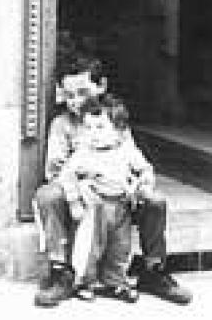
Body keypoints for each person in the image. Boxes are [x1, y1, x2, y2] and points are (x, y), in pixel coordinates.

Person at [32, 56, 192, 308]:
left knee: (155, 200)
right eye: (69, 95)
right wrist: (81, 189)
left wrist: (137, 184)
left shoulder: (114, 120)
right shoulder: (62, 125)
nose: (76, 101)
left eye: (83, 92)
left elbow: (133, 160)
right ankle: (61, 271)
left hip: (117, 196)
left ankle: (153, 269)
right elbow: (56, 172)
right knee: (47, 195)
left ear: (101, 86)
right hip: (84, 197)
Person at [60, 94, 152, 303]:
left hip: (121, 205)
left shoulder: (126, 150)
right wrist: (74, 201)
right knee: (90, 246)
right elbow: (67, 175)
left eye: (100, 127)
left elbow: (145, 169)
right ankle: (84, 282)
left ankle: (115, 281)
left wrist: (142, 184)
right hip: (96, 206)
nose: (93, 134)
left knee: (120, 247)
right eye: (88, 128)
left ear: (119, 129)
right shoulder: (84, 153)